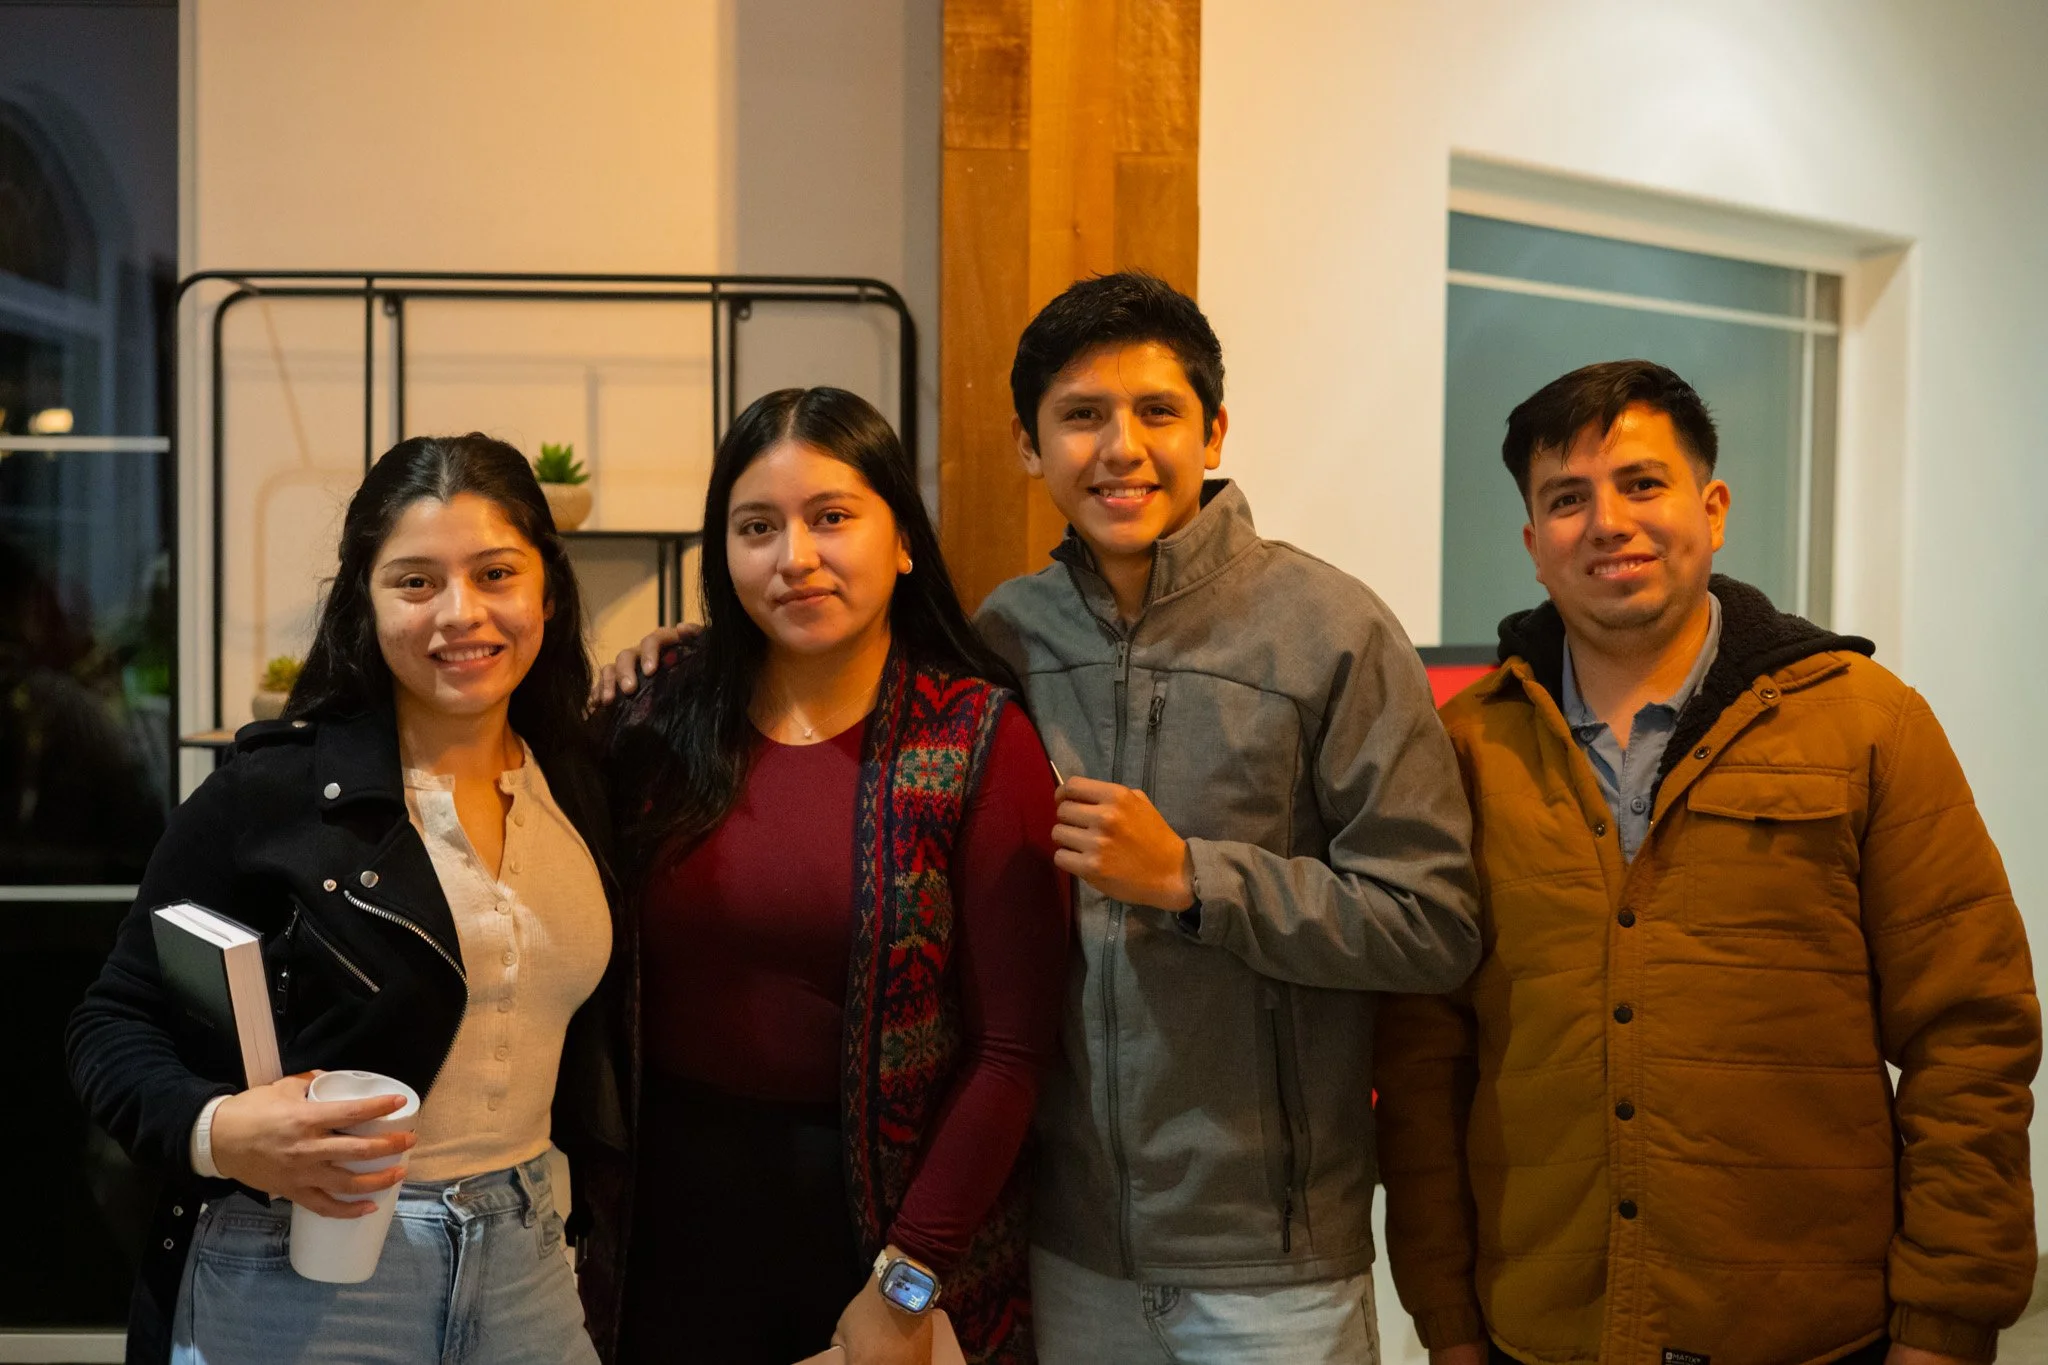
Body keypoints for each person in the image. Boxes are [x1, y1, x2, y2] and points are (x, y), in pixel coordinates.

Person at [597, 274, 1482, 1363]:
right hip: (1064, 1240)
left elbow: (1434, 921)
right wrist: (678, 655)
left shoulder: (1330, 633)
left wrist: (1193, 880)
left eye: (1156, 413)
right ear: (1028, 446)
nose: (1119, 448)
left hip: (1267, 1249)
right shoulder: (1006, 637)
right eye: (1080, 416)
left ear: (1212, 429)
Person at [1373, 360, 2040, 1365]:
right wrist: (1447, 1324)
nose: (1606, 522)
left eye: (1641, 483)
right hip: (1541, 1335)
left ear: (1711, 506)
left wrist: (1944, 1329)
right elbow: (1425, 1063)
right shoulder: (1462, 751)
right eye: (1566, 499)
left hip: (1816, 1338)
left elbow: (1970, 1037)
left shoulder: (1865, 722)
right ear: (1531, 545)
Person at [67, 434, 626, 1365]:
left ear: (548, 590)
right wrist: (222, 1131)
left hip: (527, 1259)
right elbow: (111, 1019)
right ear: (363, 601)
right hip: (308, 1268)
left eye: (496, 573)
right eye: (415, 581)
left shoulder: (583, 781)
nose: (461, 613)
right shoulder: (271, 791)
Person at [595, 386, 1068, 1365]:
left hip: (887, 1237)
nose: (793, 558)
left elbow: (1012, 1052)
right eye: (756, 527)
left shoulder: (977, 736)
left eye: (831, 518)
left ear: (900, 539)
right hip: (661, 1224)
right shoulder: (653, 723)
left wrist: (905, 1281)